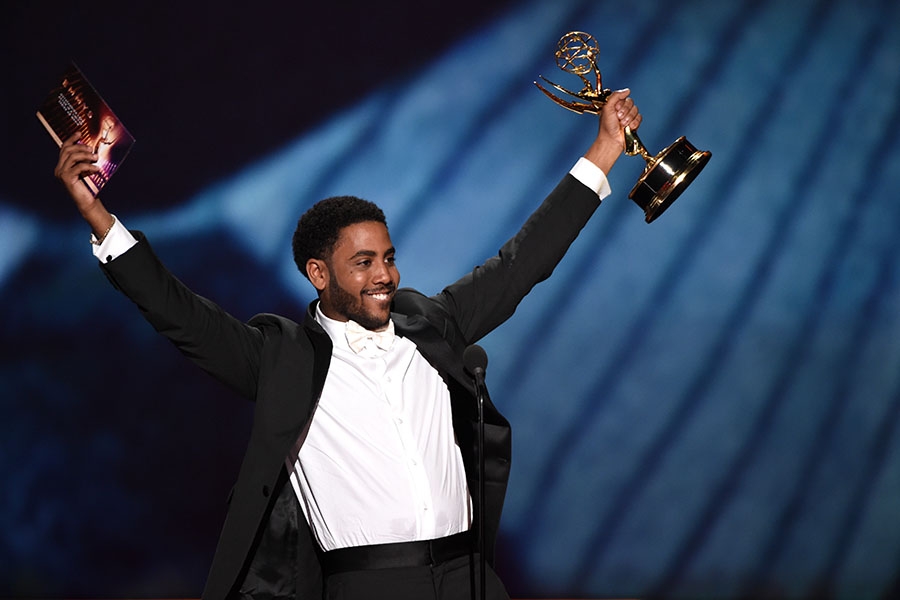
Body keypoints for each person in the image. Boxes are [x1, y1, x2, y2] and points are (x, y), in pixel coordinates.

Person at [54, 89, 642, 600]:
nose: (384, 275)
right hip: (371, 587)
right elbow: (180, 314)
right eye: (362, 263)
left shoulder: (433, 325)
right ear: (318, 273)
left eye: (387, 258)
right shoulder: (283, 359)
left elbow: (522, 263)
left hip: (471, 579)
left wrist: (604, 153)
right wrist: (100, 219)